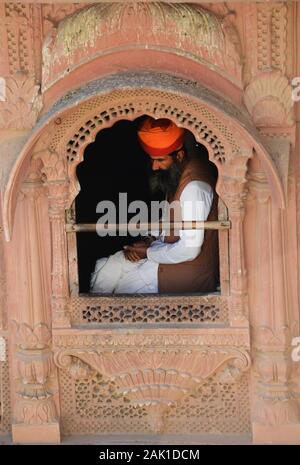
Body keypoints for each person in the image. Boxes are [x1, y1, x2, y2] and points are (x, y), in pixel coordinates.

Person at [90, 117, 219, 294]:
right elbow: (168, 222)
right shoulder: (177, 175)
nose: (154, 167)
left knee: (120, 291)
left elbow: (190, 250)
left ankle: (100, 317)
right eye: (152, 160)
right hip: (162, 257)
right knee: (108, 266)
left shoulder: (194, 187)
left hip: (181, 274)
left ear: (179, 155)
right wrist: (148, 240)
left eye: (160, 160)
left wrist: (148, 253)